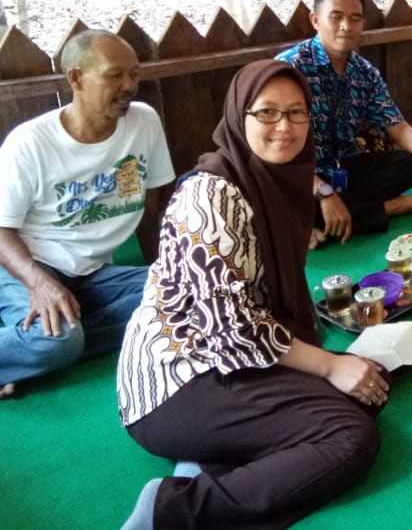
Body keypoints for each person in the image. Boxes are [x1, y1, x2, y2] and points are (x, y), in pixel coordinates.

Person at [118, 60, 388, 529]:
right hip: (179, 379)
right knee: (349, 436)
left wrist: (335, 366)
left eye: (297, 112)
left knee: (368, 388)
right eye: (266, 112)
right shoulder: (210, 197)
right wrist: (328, 365)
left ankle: (209, 460)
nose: (285, 126)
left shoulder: (274, 180)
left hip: (235, 361)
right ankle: (170, 511)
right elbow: (231, 328)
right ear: (239, 115)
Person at [0, 30, 174, 400]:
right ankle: (49, 343)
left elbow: (153, 207)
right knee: (59, 338)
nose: (129, 85)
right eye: (115, 75)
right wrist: (39, 284)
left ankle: (33, 349)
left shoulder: (144, 122)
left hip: (93, 273)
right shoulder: (30, 142)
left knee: (183, 293)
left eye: (134, 74)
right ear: (76, 78)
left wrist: (163, 269)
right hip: (28, 266)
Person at [277, 0, 412, 246]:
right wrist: (323, 192)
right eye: (336, 17)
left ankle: (320, 219)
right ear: (315, 20)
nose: (346, 26)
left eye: (354, 18)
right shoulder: (289, 69)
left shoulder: (364, 72)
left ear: (363, 24)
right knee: (278, 198)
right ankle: (391, 207)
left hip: (345, 169)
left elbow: (398, 126)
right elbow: (276, 150)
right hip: (299, 175)